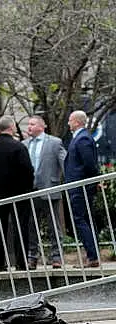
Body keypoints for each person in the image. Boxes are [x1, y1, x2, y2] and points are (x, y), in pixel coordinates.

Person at [0, 116, 34, 271]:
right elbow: (27, 170)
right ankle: (21, 262)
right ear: (11, 128)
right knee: (20, 227)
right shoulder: (18, 147)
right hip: (19, 193)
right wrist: (27, 188)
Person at [22, 116, 67, 269]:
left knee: (54, 225)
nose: (29, 127)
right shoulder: (24, 144)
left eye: (32, 124)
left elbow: (64, 164)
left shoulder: (54, 143)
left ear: (41, 126)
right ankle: (32, 257)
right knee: (31, 226)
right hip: (30, 191)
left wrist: (63, 182)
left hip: (49, 188)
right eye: (28, 124)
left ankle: (56, 257)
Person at [65, 110, 100, 268]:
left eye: (70, 120)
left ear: (77, 122)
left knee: (81, 219)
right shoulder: (80, 138)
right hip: (80, 186)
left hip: (80, 187)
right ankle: (92, 255)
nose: (68, 123)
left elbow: (89, 164)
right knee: (85, 219)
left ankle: (92, 256)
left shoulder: (83, 138)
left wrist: (91, 182)